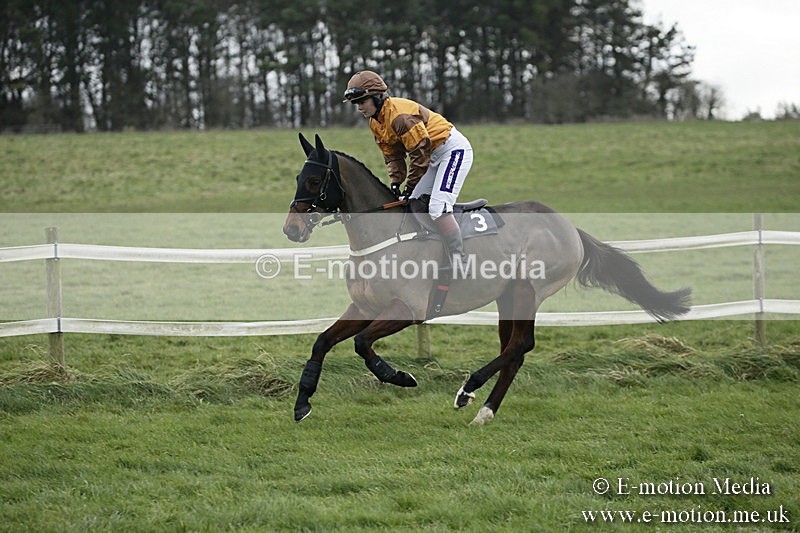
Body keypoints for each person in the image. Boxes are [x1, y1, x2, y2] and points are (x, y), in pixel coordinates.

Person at [342, 70, 473, 264]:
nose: (359, 107)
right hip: (430, 155)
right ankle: (428, 250)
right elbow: (393, 156)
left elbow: (420, 155)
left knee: (437, 208)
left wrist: (409, 185)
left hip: (452, 151)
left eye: (362, 101)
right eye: (355, 103)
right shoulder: (375, 123)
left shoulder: (400, 117)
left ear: (377, 97)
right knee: (411, 204)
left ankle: (458, 258)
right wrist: (396, 183)